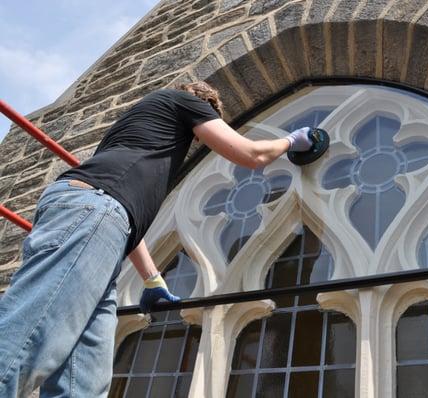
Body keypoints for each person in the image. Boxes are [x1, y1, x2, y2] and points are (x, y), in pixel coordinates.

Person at [0, 81, 314, 397]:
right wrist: (291, 140)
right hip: (93, 212)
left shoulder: (137, 135)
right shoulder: (184, 100)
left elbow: (126, 216)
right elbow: (251, 154)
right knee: (33, 333)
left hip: (102, 222)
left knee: (84, 379)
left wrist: (152, 280)